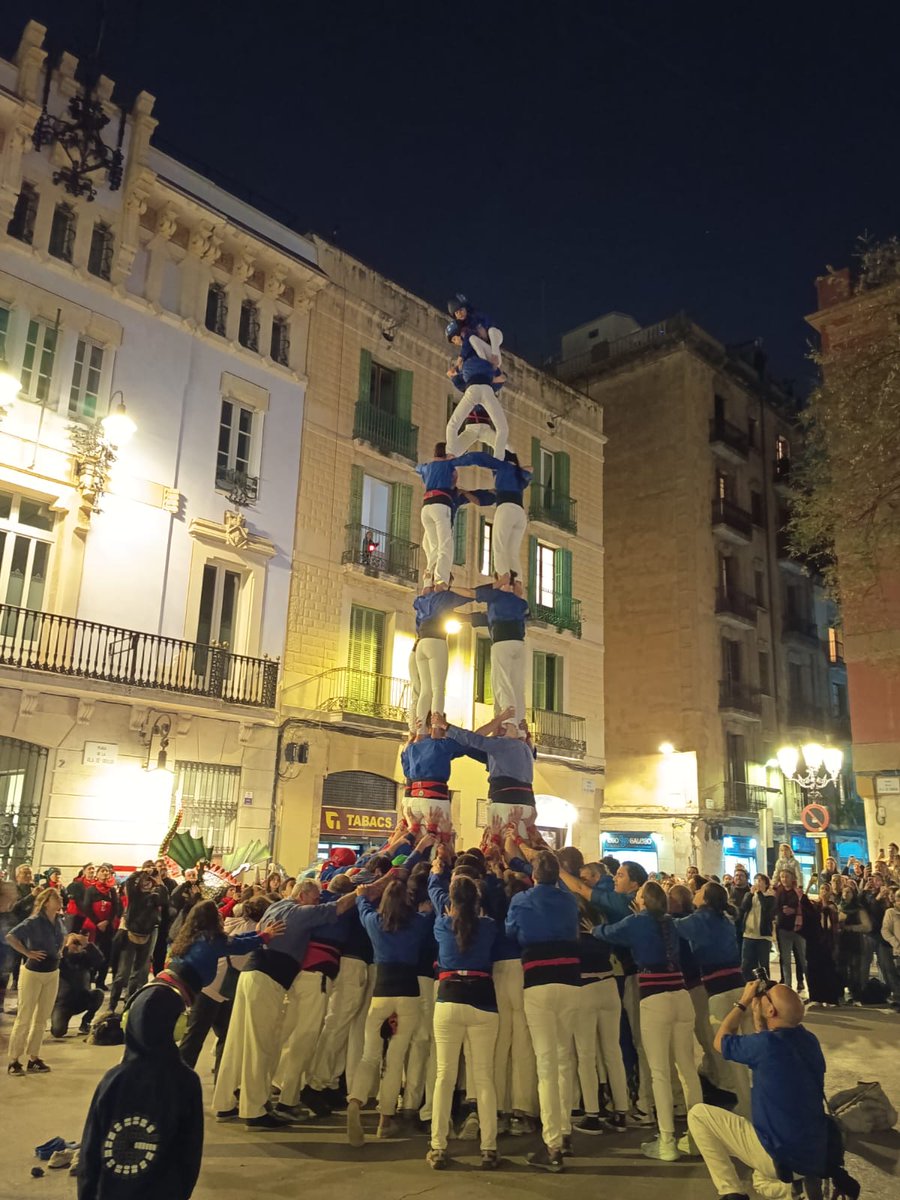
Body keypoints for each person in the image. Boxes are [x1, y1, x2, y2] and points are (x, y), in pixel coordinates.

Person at [688, 981, 831, 1200]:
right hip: (813, 1152)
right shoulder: (809, 1041)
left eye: (767, 995)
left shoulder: (764, 1046)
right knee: (760, 1181)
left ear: (771, 1010)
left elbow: (720, 1041)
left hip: (780, 1153)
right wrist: (759, 1015)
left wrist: (743, 1002)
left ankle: (731, 1193)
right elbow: (768, 1038)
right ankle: (796, 1191)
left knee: (698, 1115)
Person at [593, 880, 703, 1162]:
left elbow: (608, 933)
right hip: (680, 994)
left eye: (639, 894)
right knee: (687, 1069)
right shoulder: (672, 922)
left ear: (643, 900)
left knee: (659, 1072)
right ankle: (698, 1136)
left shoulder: (636, 922)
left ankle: (666, 1140)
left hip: (654, 996)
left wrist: (591, 929)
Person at [77, 979, 203, 1200]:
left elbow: (90, 1150)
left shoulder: (114, 1079)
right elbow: (189, 1155)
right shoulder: (186, 1081)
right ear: (177, 1026)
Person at [345, 876, 436, 1145]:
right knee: (396, 1058)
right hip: (408, 991)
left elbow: (361, 903)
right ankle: (385, 1120)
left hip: (381, 992)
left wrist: (362, 893)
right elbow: (428, 917)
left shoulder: (374, 922)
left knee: (370, 1055)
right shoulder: (418, 923)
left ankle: (356, 1099)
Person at [505, 850, 580, 1173]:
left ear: (533, 875)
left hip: (538, 980)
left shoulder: (521, 900)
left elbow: (511, 932)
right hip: (570, 980)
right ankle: (563, 1130)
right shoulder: (568, 900)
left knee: (547, 1064)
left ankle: (552, 1145)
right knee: (565, 1059)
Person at [426, 854, 501, 1170]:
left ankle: (438, 1146)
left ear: (450, 903)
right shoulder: (489, 927)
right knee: (483, 1077)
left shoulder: (442, 924)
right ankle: (489, 1147)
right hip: (484, 1001)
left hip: (449, 999)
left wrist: (436, 874)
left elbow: (437, 895)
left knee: (444, 1076)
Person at [674, 881, 751, 1118]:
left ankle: (744, 1106)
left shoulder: (700, 919)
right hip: (738, 987)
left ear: (706, 899)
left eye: (698, 891)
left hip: (718, 991)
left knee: (727, 1049)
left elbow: (669, 926)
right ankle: (748, 1099)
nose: (695, 893)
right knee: (743, 1050)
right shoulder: (725, 919)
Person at [179, 895, 274, 1074]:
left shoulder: (217, 930)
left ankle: (200, 1078)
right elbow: (239, 944)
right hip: (214, 991)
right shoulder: (213, 939)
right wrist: (265, 935)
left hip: (210, 990)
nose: (222, 915)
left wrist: (261, 934)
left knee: (205, 1037)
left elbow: (240, 938)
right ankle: (181, 1080)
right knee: (198, 1038)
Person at [571, 896, 630, 1134]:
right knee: (612, 1052)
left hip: (585, 988)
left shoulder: (573, 930)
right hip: (608, 985)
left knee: (586, 1055)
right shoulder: (601, 925)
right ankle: (621, 1111)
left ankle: (593, 1114)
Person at [6, 886, 65, 1075]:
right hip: (33, 973)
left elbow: (64, 937)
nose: (60, 900)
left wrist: (60, 950)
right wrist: (27, 953)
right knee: (25, 1017)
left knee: (42, 1018)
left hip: (52, 972)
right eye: (57, 898)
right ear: (47, 901)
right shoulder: (33, 921)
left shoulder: (59, 921)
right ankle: (14, 1060)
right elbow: (11, 936)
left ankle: (34, 1056)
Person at [454, 449, 532, 581]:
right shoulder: (520, 477)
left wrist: (458, 460)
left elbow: (479, 458)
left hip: (506, 509)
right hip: (520, 513)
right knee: (512, 552)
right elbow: (531, 469)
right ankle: (517, 583)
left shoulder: (502, 466)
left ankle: (504, 581)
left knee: (499, 547)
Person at [412, 584, 475, 733]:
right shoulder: (444, 597)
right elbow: (469, 595)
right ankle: (435, 728)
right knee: (438, 688)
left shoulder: (421, 600)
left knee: (425, 690)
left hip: (421, 644)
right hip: (436, 641)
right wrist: (452, 588)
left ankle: (420, 731)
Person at [473, 581, 531, 731]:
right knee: (517, 684)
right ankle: (518, 722)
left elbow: (474, 592)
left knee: (501, 682)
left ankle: (509, 722)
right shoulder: (521, 605)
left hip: (502, 641)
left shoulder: (498, 598)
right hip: (519, 644)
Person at [108, 869, 165, 1010]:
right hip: (130, 936)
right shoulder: (135, 895)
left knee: (137, 973)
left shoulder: (154, 897)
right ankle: (112, 1005)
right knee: (123, 974)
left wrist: (160, 884)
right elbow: (128, 881)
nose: (147, 884)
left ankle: (128, 1003)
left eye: (149, 882)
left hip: (146, 936)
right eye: (144, 881)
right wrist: (141, 872)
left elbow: (165, 900)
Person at [51, 932, 105, 1037]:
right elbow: (55, 958)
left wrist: (88, 945)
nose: (76, 946)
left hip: (82, 999)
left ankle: (86, 1021)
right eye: (74, 943)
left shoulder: (84, 958)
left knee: (99, 994)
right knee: (58, 1031)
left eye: (78, 944)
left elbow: (100, 960)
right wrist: (66, 946)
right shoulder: (61, 960)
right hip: (63, 1004)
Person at [803, 882, 843, 1005]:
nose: (824, 891)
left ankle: (831, 998)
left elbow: (834, 925)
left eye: (827, 889)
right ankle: (816, 997)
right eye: (822, 889)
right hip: (815, 942)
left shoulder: (833, 907)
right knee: (814, 970)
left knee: (829, 970)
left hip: (828, 943)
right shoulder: (814, 905)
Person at [82, 863, 121, 983]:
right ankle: (89, 977)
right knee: (92, 951)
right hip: (93, 926)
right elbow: (86, 907)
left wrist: (107, 921)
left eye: (107, 872)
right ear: (97, 874)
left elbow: (116, 907)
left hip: (107, 926)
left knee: (106, 952)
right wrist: (98, 922)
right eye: (102, 871)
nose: (105, 873)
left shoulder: (112, 890)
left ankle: (101, 980)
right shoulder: (91, 890)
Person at [837, 877, 871, 1002]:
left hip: (855, 941)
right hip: (842, 941)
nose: (845, 894)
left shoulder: (858, 909)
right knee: (842, 967)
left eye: (848, 892)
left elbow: (867, 926)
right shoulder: (840, 907)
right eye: (844, 892)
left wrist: (851, 927)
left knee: (855, 968)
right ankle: (841, 991)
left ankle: (855, 993)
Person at [774, 868, 806, 990]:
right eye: (782, 877)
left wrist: (793, 911)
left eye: (786, 876)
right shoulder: (778, 893)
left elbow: (803, 908)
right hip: (783, 928)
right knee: (785, 959)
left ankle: (806, 982)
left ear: (792, 878)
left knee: (802, 958)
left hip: (797, 929)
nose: (784, 879)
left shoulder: (798, 892)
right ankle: (787, 985)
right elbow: (775, 908)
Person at [738, 873, 776, 981]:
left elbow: (766, 908)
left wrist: (759, 893)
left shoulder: (770, 897)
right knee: (746, 964)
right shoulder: (748, 895)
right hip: (748, 934)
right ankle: (748, 985)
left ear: (766, 884)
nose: (758, 883)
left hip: (763, 936)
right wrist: (750, 894)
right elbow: (743, 907)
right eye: (756, 880)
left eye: (760, 880)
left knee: (763, 965)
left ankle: (765, 986)